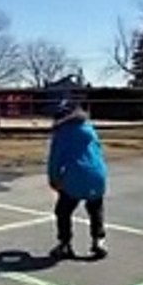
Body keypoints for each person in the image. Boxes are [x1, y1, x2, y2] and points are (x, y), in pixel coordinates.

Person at [47, 100, 108, 260]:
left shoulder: (62, 133)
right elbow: (98, 150)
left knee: (63, 211)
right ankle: (99, 240)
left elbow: (55, 160)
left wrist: (54, 179)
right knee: (95, 207)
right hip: (97, 173)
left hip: (76, 174)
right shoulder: (89, 128)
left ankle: (65, 243)